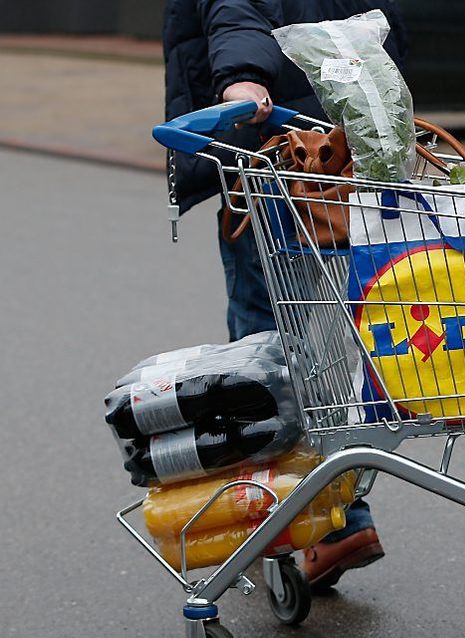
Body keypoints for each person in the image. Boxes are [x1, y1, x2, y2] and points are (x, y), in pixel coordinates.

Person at [162, 0, 407, 591]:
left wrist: (242, 81)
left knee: (267, 352)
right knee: (333, 341)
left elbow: (236, 12)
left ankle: (316, 522)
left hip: (275, 156)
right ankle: (337, 515)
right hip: (352, 151)